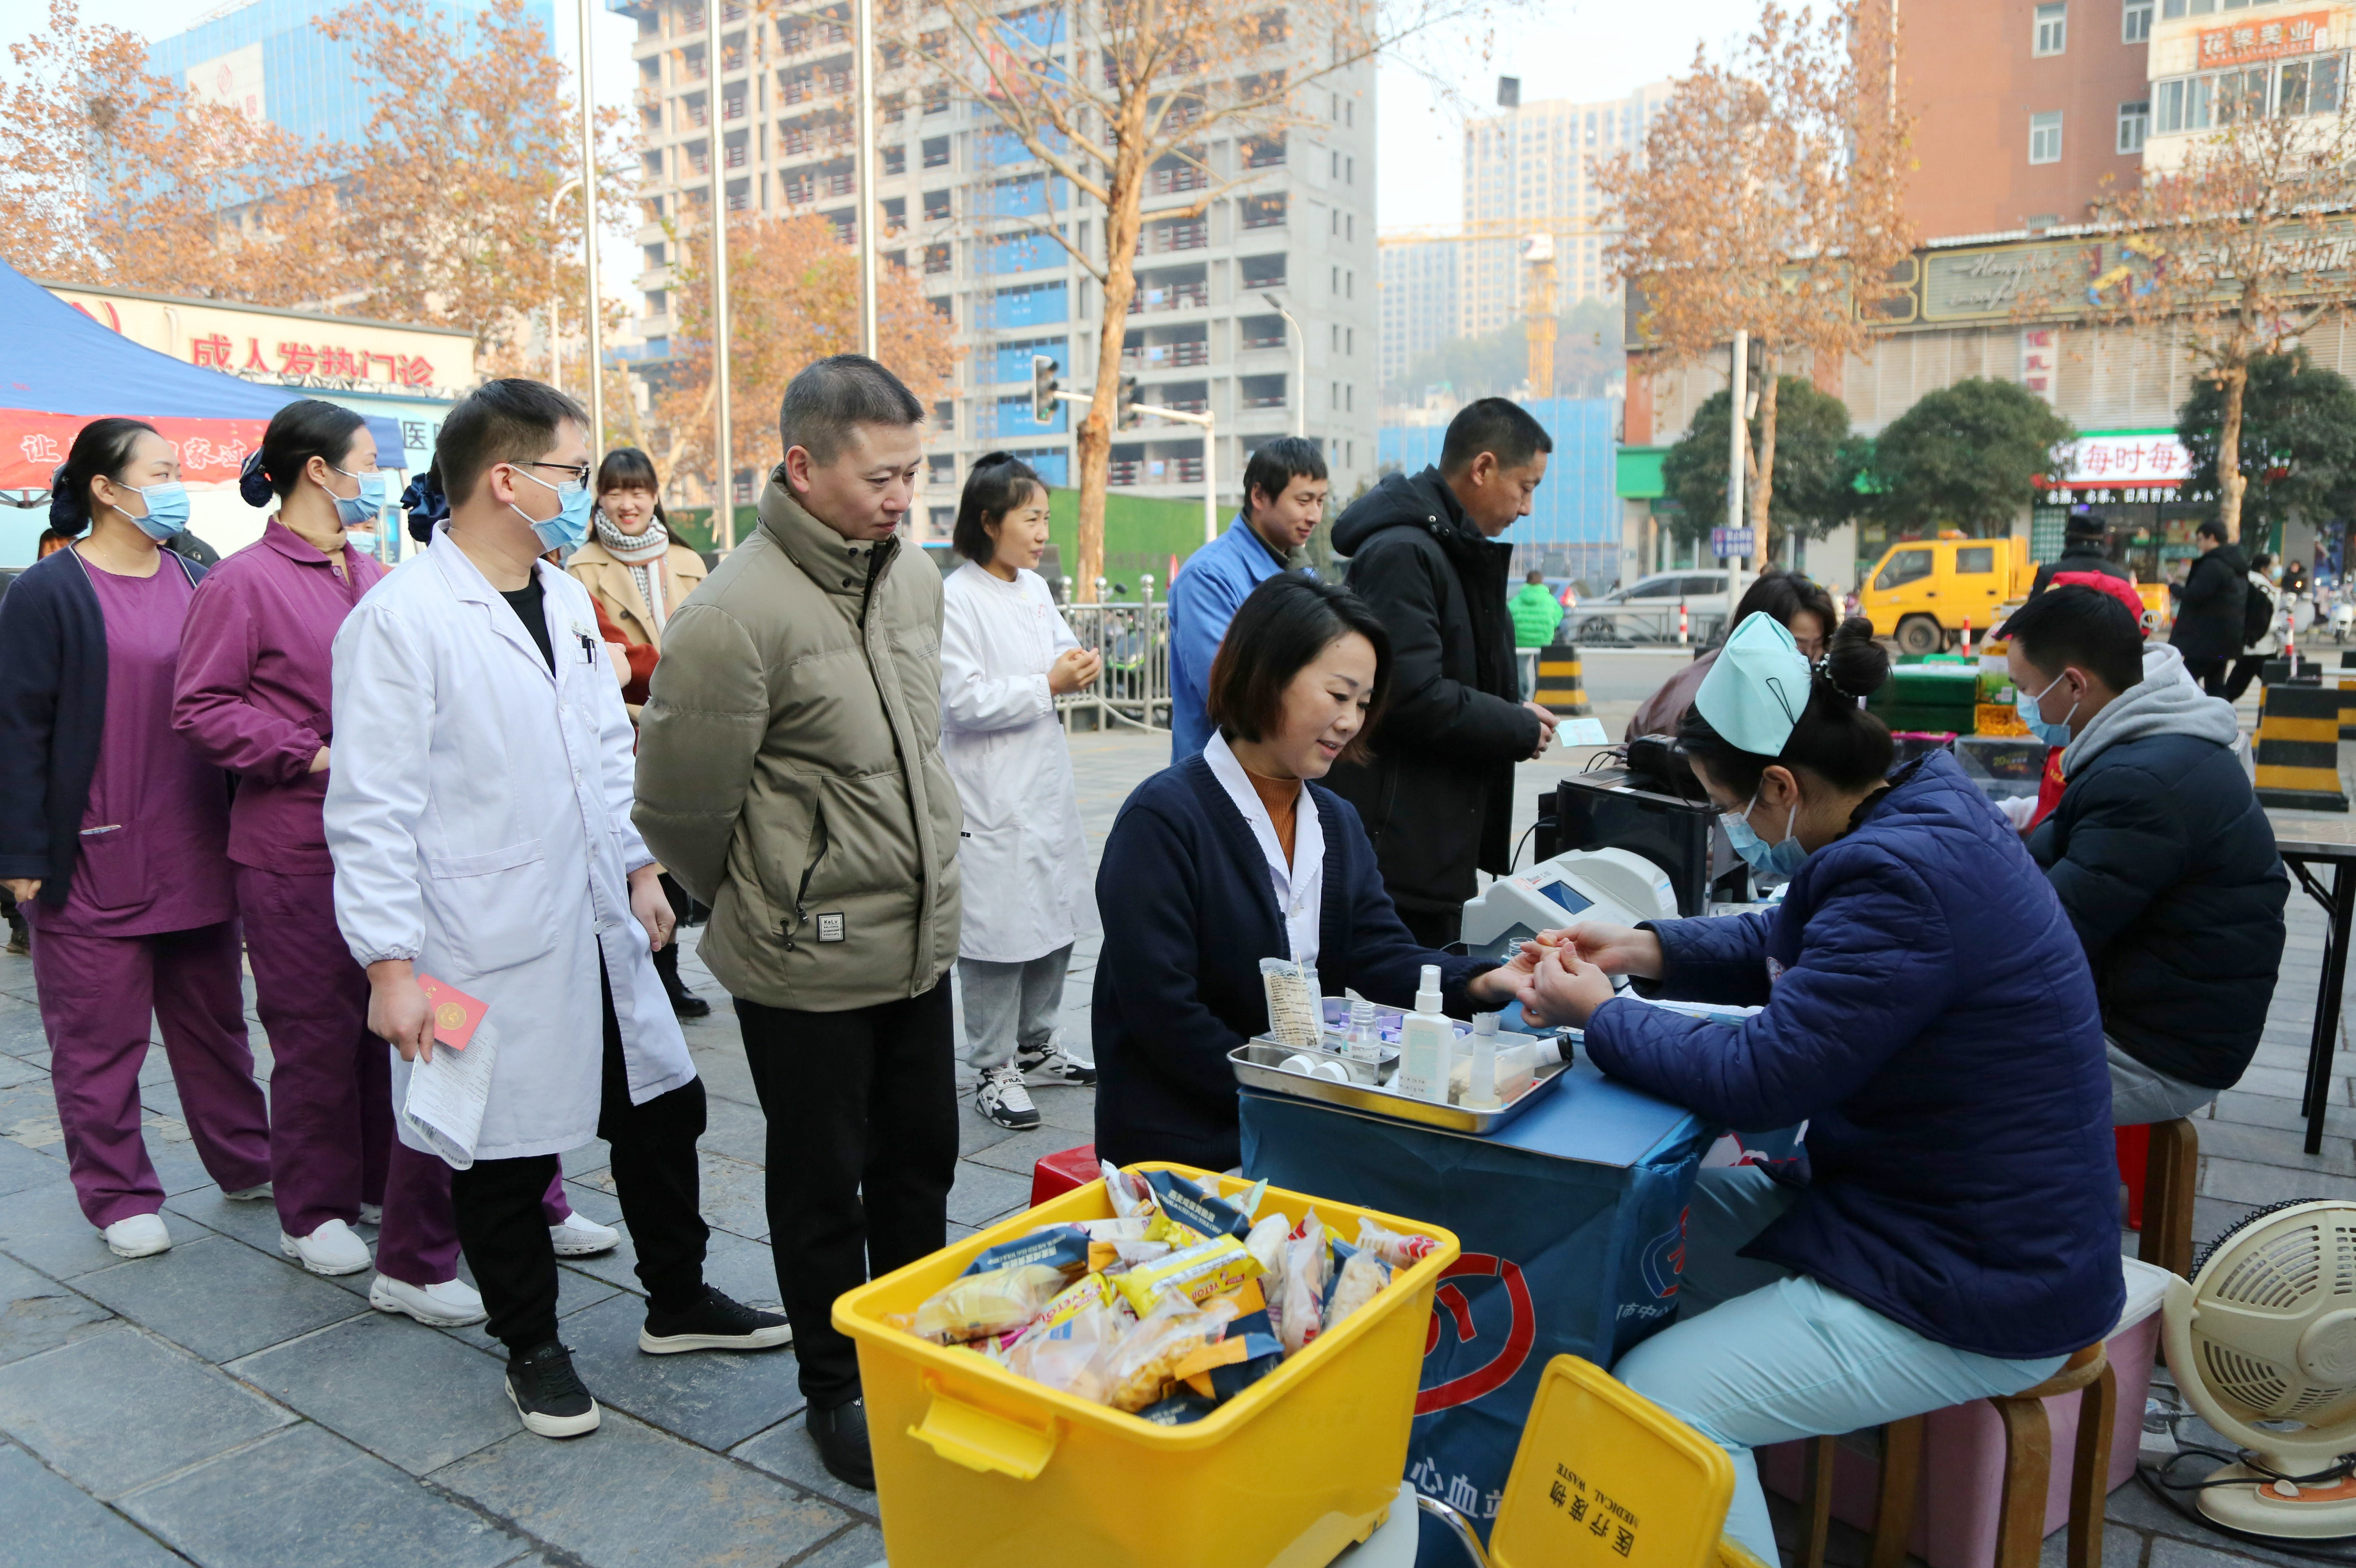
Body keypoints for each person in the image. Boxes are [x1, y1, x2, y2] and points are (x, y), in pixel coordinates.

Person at [1511, 612, 2124, 1563]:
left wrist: (1600, 1012)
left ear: (1782, 787)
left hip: (1977, 1273)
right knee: (1621, 1220)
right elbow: (1783, 939)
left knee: (1662, 1398)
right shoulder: (1917, 810)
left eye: (1730, 810)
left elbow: (1762, 1079)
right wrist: (1643, 946)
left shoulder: (1898, 874)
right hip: (1922, 1215)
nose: (1734, 834)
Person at [330, 379, 787, 1442]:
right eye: (574, 475)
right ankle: (530, 1344)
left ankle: (676, 1299)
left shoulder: (567, 600)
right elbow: (370, 807)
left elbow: (601, 748)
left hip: (592, 915)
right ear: (508, 478)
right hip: (465, 940)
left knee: (662, 1107)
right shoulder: (398, 621)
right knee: (491, 1148)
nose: (587, 494)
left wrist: (639, 870)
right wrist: (390, 966)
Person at [172, 400, 615, 1322]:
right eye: (366, 461)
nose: (378, 478)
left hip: (432, 855)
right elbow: (201, 709)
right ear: (315, 469)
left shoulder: (375, 571)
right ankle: (316, 1204)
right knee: (322, 1039)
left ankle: (486, 1200)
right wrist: (306, 748)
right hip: (295, 848)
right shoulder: (243, 582)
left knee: (444, 1036)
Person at [634, 355, 960, 1490]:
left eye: (911, 473)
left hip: (917, 940)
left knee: (922, 1162)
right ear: (802, 465)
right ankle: (836, 1385)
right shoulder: (734, 611)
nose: (898, 497)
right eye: (880, 476)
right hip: (804, 960)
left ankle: (911, 1348)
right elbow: (677, 807)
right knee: (825, 1178)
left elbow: (917, 744)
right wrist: (771, 898)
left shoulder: (909, 575)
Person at [1093, 573, 1539, 1172]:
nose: (1352, 720)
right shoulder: (1164, 819)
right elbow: (1164, 1012)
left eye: (1363, 702)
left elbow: (1378, 954)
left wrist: (1485, 982)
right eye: (1339, 695)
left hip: (1293, 1111)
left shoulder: (1335, 820)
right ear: (1268, 674)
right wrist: (1296, 1092)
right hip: (1186, 1139)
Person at [0, 418, 272, 1259]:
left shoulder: (200, 578)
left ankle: (246, 1156)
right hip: (91, 854)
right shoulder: (48, 591)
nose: (177, 482)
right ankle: (118, 1191)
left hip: (197, 845)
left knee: (217, 1023)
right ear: (108, 489)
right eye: (160, 470)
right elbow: (16, 730)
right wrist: (18, 856)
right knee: (96, 1039)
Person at [2005, 585, 2288, 1123]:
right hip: (2152, 1010)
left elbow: (2046, 933)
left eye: (2025, 689)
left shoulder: (2141, 784)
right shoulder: (2151, 744)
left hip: (2158, 1049)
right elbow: (2048, 870)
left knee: (1945, 1068)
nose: (2023, 706)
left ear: (2072, 685)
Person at [1325, 398, 1560, 947]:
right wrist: (1516, 725)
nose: (1526, 508)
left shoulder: (1449, 548)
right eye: (1526, 487)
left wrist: (1513, 712)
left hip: (1435, 836)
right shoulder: (1404, 552)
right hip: (1400, 846)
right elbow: (1409, 694)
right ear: (1482, 468)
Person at [940, 453, 1103, 1131]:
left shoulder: (1034, 589)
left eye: (1045, 518)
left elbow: (1059, 652)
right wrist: (1049, 684)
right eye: (1031, 518)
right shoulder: (958, 597)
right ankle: (992, 1063)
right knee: (996, 933)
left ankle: (1038, 1044)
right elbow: (960, 699)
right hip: (989, 791)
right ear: (988, 521)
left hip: (1041, 783)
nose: (1042, 532)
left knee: (1054, 918)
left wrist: (1077, 666)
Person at [565, 446, 713, 1020]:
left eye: (639, 491)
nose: (628, 503)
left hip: (689, 721)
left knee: (674, 849)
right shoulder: (580, 566)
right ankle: (649, 969)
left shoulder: (687, 561)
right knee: (638, 847)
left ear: (656, 496)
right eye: (616, 491)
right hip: (628, 724)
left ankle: (671, 973)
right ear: (599, 497)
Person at [1167, 436, 1328, 760]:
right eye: (1303, 500)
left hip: (1288, 770)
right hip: (1217, 779)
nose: (1315, 516)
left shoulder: (1305, 575)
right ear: (1259, 495)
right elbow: (1228, 692)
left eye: (1321, 501)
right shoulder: (1209, 577)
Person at [1625, 569, 1834, 741]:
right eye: (1798, 647)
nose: (1811, 662)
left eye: (1818, 646)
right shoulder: (1709, 706)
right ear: (1756, 636)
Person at [2170, 518, 2249, 696]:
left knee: (2183, 680)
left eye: (2200, 539)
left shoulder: (2213, 564)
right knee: (2215, 685)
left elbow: (2195, 596)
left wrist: (2174, 587)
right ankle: (2220, 719)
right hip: (2225, 640)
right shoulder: (2236, 564)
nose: (2198, 545)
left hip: (2206, 640)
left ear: (2211, 538)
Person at [2223, 552, 2283, 703]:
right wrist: (2280, 626)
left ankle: (2217, 707)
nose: (2278, 569)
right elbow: (2261, 619)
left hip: (2249, 646)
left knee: (2234, 687)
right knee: (2278, 687)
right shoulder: (2263, 589)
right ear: (2264, 569)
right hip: (2261, 646)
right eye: (2275, 565)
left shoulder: (2247, 582)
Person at [2028, 511, 2132, 598]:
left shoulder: (2048, 574)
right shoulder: (2120, 578)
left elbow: (2029, 619)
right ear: (2103, 543)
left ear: (2068, 541)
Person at [1507, 569, 1564, 699]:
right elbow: (1558, 615)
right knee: (1542, 670)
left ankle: (1522, 697)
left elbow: (1509, 616)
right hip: (1544, 640)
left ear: (1526, 582)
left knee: (1520, 669)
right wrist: (1551, 626)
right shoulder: (1550, 600)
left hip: (1522, 641)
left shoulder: (1517, 600)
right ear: (1542, 582)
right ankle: (1540, 697)